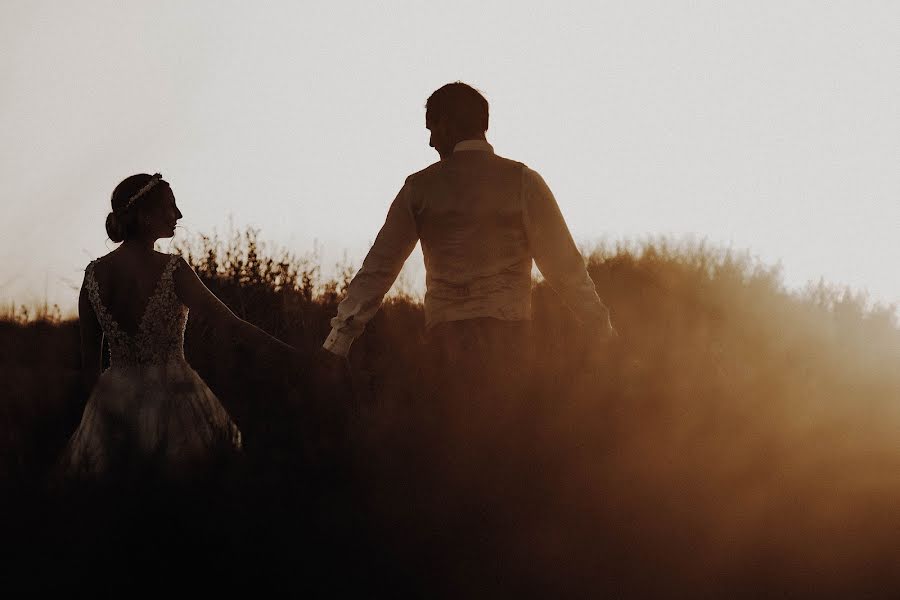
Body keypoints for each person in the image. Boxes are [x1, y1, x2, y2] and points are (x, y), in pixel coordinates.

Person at [317, 82, 618, 591]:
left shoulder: (420, 186)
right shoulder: (523, 181)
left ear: (454, 123)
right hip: (509, 342)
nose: (428, 135)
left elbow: (378, 270)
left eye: (432, 123)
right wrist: (603, 333)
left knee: (450, 456)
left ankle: (458, 565)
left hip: (448, 346)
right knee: (509, 452)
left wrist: (338, 341)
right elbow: (566, 268)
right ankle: (516, 564)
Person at [58, 172, 295, 482]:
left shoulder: (93, 275)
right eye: (171, 206)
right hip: (176, 396)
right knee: (190, 492)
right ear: (145, 216)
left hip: (113, 399)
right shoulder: (173, 269)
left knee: (116, 497)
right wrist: (296, 357)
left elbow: (89, 365)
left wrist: (101, 422)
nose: (179, 214)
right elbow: (231, 326)